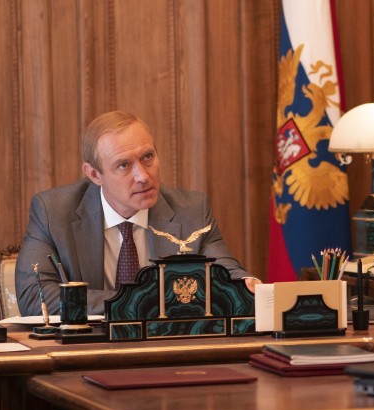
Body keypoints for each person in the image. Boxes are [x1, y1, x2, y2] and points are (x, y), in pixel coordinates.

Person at [16, 111, 258, 316]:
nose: (143, 176)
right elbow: (35, 298)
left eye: (147, 157)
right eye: (124, 165)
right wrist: (139, 301)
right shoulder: (53, 212)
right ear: (95, 175)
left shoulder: (191, 211)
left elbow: (227, 274)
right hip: (88, 348)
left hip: (168, 348)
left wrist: (246, 286)